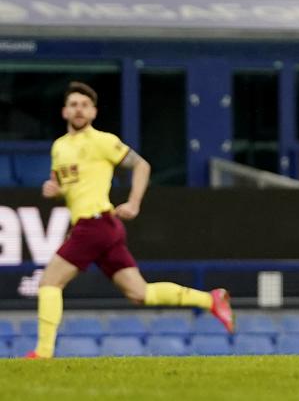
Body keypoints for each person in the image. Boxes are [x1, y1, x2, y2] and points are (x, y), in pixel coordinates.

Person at [25, 82, 234, 359]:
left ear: (94, 112)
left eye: (85, 105)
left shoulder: (102, 141)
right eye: (74, 104)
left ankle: (43, 352)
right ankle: (211, 299)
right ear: (64, 111)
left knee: (49, 282)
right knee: (139, 293)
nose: (79, 109)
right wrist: (56, 191)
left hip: (96, 223)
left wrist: (134, 203)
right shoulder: (59, 148)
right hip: (98, 227)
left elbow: (141, 165)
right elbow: (68, 188)